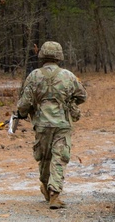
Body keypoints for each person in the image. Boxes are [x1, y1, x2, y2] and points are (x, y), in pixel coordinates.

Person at [16, 40, 87, 209]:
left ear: (42, 56)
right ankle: (54, 193)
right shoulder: (68, 76)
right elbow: (82, 96)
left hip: (41, 124)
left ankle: (47, 188)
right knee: (59, 157)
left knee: (44, 158)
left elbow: (24, 102)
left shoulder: (34, 76)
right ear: (59, 56)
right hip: (62, 123)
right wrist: (69, 101)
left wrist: (22, 113)